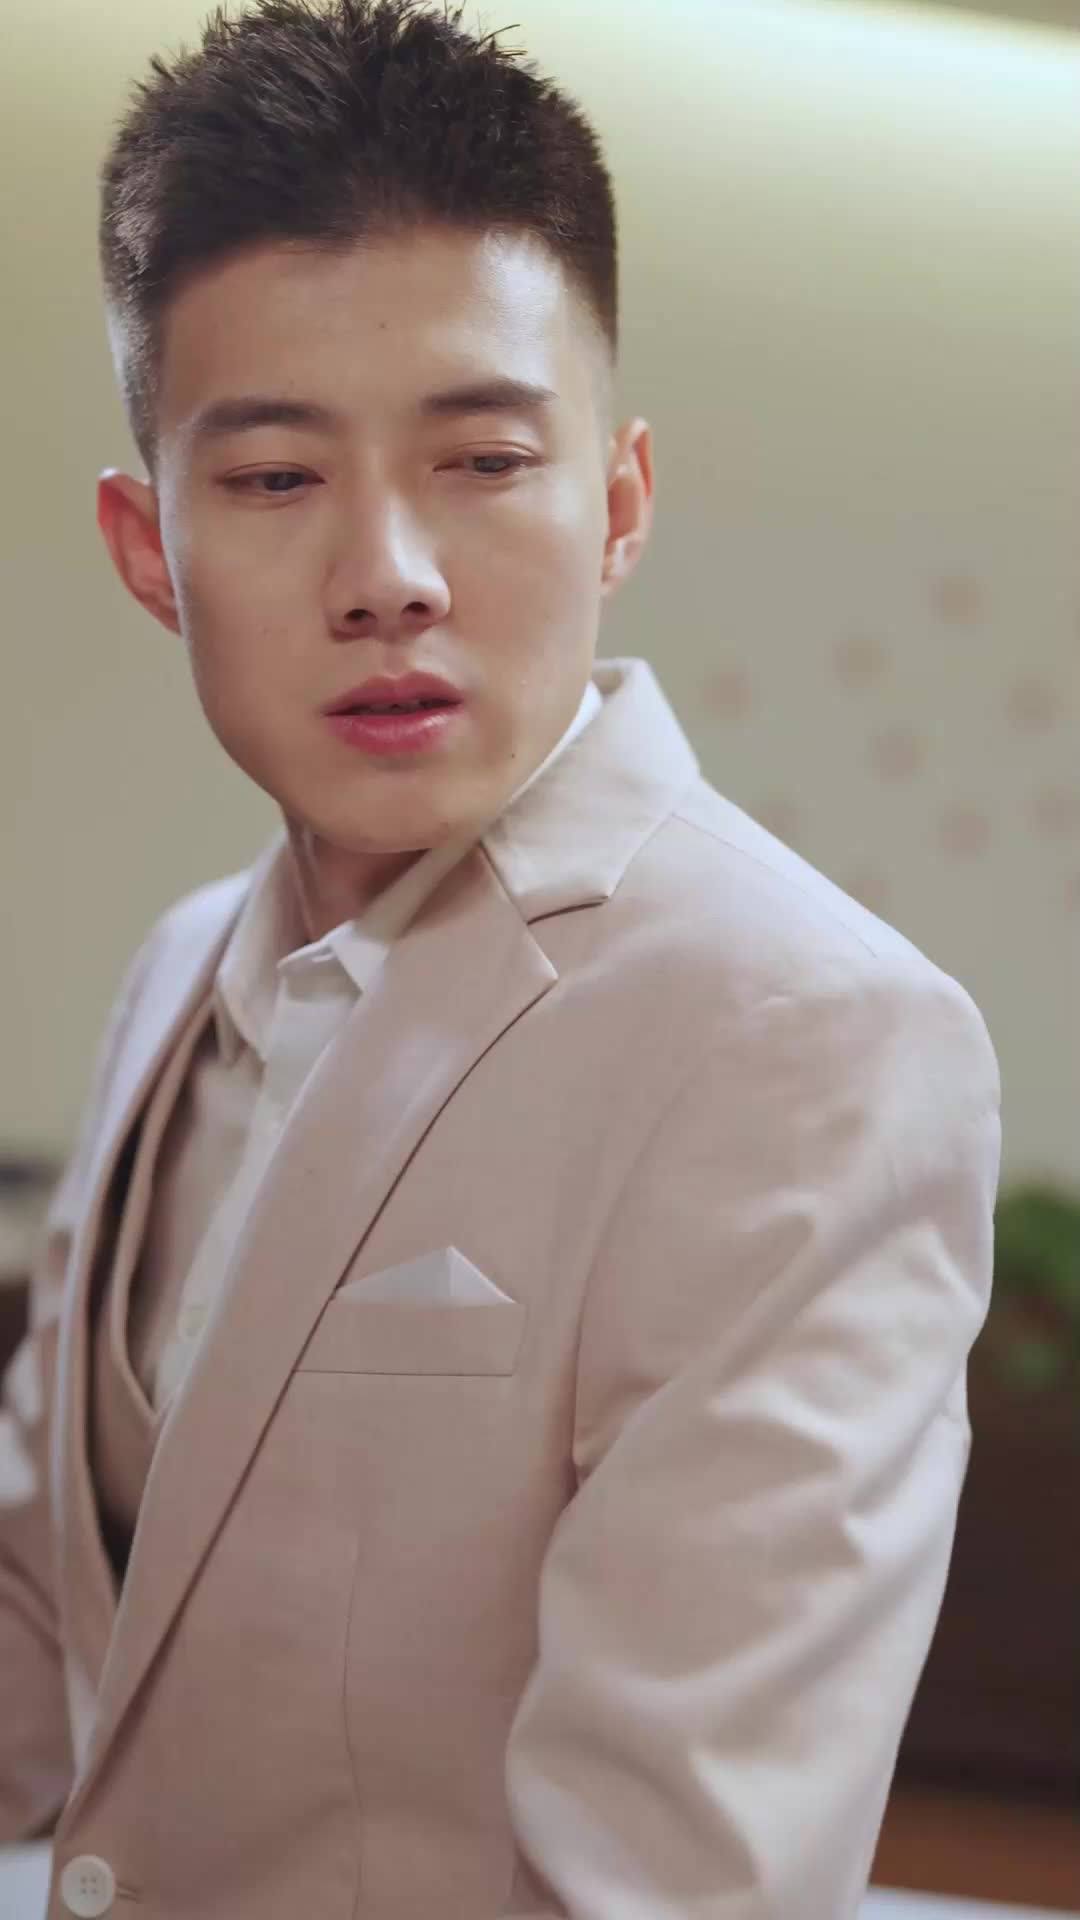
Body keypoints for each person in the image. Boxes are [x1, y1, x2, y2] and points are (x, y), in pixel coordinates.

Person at [0, 2, 1001, 1915]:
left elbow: (679, 1878)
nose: (391, 573)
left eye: (481, 458)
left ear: (614, 504)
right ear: (147, 551)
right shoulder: (179, 971)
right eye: (275, 478)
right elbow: (58, 1626)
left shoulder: (811, 1038)